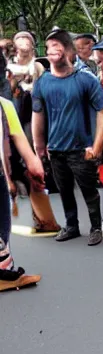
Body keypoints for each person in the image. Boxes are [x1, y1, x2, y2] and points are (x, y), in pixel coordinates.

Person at [31, 29, 103, 246]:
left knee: (88, 190)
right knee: (64, 190)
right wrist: (38, 146)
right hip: (55, 148)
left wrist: (97, 146)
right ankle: (72, 226)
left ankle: (96, 227)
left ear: (68, 50)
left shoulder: (84, 80)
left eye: (56, 47)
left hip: (80, 147)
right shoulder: (43, 82)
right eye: (48, 48)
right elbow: (37, 114)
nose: (50, 51)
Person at [0, 95, 43, 292]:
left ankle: (4, 272)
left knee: (3, 222)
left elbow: (17, 136)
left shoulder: (4, 105)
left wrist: (33, 162)